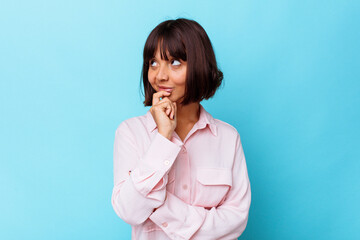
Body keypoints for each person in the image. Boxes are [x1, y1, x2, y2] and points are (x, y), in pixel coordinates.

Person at [111, 18, 251, 240]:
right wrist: (163, 138)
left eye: (174, 62)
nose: (160, 76)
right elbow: (129, 211)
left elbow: (236, 221)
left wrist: (162, 209)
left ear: (199, 65)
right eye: (153, 63)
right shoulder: (131, 133)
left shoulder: (228, 137)